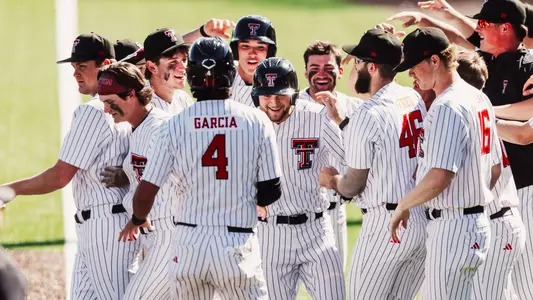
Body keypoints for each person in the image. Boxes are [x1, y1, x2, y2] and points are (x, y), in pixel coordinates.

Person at [119, 37, 281, 300]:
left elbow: (146, 192)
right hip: (236, 244)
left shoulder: (173, 125)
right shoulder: (256, 120)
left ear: (192, 76)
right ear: (230, 73)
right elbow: (271, 191)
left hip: (188, 247)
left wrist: (137, 219)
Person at [0, 33, 136, 300]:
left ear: (106, 64)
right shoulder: (120, 106)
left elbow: (60, 175)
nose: (75, 74)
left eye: (82, 67)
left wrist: (8, 190)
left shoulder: (94, 110)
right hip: (100, 226)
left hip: (105, 229)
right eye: (74, 68)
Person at [389, 27, 501, 300]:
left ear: (435, 61)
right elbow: (494, 169)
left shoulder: (448, 105)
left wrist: (404, 205)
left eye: (414, 66)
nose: (411, 74)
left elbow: (440, 176)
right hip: (476, 224)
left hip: (454, 229)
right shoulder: (478, 97)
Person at [319, 28, 427, 300]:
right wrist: (343, 122)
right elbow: (384, 144)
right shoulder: (411, 98)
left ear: (372, 67)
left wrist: (330, 181)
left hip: (385, 225)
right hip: (419, 220)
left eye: (357, 62)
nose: (353, 69)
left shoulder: (367, 114)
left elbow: (353, 185)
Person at [253, 57, 345, 300]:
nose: (273, 102)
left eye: (280, 94)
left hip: (316, 230)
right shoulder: (248, 124)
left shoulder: (317, 117)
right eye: (266, 95)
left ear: (292, 93)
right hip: (269, 236)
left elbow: (350, 157)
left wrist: (340, 121)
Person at [453, 50, 527, 300]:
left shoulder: (467, 115)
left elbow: (524, 135)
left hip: (496, 221)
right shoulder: (481, 112)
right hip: (498, 220)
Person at [297, 40, 362, 268]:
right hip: (294, 215)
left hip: (335, 212)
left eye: (329, 69)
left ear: (340, 71)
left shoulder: (354, 107)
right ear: (305, 72)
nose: (321, 74)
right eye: (314, 69)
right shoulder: (290, 108)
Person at [229, 15, 277, 107]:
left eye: (260, 47)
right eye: (245, 46)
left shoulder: (278, 82)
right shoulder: (221, 74)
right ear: (235, 50)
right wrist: (202, 31)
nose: (252, 54)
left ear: (269, 52)